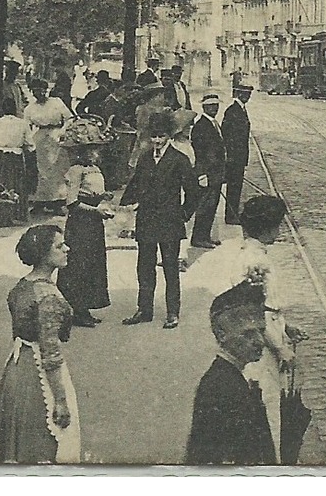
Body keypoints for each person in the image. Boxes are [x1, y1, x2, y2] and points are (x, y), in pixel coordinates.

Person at [0, 225, 80, 464]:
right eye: (59, 246)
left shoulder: (22, 286)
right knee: (43, 444)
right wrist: (60, 400)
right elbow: (51, 355)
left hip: (17, 369)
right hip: (39, 375)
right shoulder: (48, 296)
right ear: (42, 254)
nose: (67, 249)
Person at [121, 110, 199, 328]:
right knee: (144, 267)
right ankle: (144, 310)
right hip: (146, 220)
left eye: (161, 136)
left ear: (169, 137)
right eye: (153, 136)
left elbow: (193, 192)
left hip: (170, 222)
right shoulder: (145, 158)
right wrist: (124, 204)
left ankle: (172, 312)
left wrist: (183, 214)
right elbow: (135, 184)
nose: (156, 141)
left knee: (170, 268)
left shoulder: (179, 159)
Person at [186, 282, 279, 465]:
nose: (260, 342)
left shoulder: (230, 376)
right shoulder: (222, 388)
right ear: (222, 334)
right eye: (248, 334)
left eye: (261, 331)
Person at [57, 139, 111, 327]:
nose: (97, 154)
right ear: (84, 152)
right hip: (81, 223)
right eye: (94, 150)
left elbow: (91, 191)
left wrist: (103, 196)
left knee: (92, 263)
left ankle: (85, 308)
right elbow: (72, 202)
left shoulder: (94, 168)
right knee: (80, 263)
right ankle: (77, 310)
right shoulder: (76, 170)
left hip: (94, 223)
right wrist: (96, 210)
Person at [24, 78, 75, 216]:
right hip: (40, 137)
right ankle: (41, 202)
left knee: (58, 168)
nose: (38, 93)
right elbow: (26, 126)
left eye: (40, 90)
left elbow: (69, 118)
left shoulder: (56, 102)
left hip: (57, 134)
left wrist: (63, 130)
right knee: (42, 170)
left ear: (46, 90)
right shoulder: (30, 109)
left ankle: (58, 203)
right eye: (34, 91)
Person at [189, 92, 227, 248]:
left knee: (212, 206)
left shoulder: (213, 123)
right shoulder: (201, 126)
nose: (214, 108)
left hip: (215, 173)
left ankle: (205, 235)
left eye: (216, 106)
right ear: (204, 107)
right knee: (205, 206)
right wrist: (202, 174)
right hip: (207, 174)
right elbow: (200, 153)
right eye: (211, 106)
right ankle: (198, 238)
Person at [221, 84, 253, 225]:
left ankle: (233, 213)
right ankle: (231, 215)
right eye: (245, 94)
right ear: (238, 94)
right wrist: (230, 156)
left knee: (236, 186)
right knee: (234, 187)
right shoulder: (233, 111)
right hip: (234, 158)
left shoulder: (240, 109)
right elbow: (227, 135)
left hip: (239, 157)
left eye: (248, 94)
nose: (247, 97)